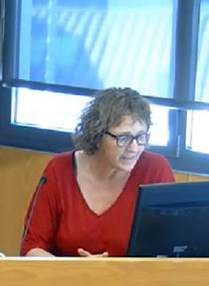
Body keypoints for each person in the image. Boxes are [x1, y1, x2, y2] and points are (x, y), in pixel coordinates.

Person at [21, 87, 175, 257]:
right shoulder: (60, 169)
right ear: (97, 135)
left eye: (140, 137)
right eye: (123, 138)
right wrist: (78, 271)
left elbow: (169, 249)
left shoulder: (155, 170)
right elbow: (31, 248)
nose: (134, 148)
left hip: (134, 281)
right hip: (69, 281)